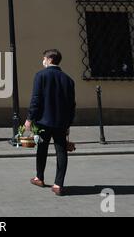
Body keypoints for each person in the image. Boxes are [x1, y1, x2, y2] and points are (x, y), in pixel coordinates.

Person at [25, 50, 76, 196]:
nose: (43, 61)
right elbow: (72, 104)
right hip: (61, 122)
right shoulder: (68, 79)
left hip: (43, 122)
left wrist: (29, 118)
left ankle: (39, 178)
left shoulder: (40, 76)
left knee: (42, 149)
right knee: (61, 152)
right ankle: (58, 184)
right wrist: (68, 123)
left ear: (50, 59)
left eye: (44, 58)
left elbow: (36, 99)